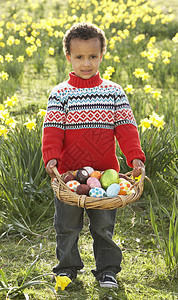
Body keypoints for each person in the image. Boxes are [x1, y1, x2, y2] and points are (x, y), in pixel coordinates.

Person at [42, 22, 145, 289]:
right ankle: (66, 268)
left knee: (103, 228)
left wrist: (135, 157)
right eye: (79, 57)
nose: (86, 63)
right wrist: (51, 157)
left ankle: (107, 270)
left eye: (92, 56)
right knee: (66, 227)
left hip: (105, 175)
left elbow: (126, 128)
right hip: (68, 177)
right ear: (68, 57)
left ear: (102, 56)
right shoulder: (60, 94)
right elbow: (52, 130)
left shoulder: (113, 92)